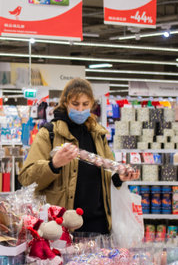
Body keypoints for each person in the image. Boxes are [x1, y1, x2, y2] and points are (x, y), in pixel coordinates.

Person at [19, 78, 139, 234]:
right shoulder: (48, 133)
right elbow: (26, 178)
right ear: (65, 103)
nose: (81, 109)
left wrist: (120, 177)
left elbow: (107, 173)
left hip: (99, 225)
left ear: (91, 105)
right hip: (62, 227)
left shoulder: (98, 134)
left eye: (85, 104)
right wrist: (53, 165)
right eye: (75, 104)